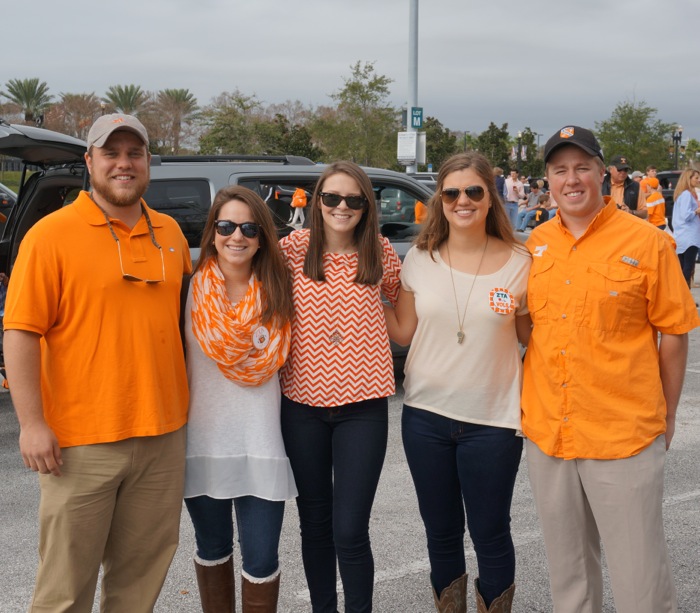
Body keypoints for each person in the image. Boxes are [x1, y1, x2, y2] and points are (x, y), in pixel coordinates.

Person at [3, 114, 192, 612]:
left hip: (162, 440)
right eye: (111, 153)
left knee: (139, 584)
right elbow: (20, 331)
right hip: (79, 444)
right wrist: (31, 424)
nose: (124, 164)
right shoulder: (51, 236)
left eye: (135, 154)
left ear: (149, 162)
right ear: (90, 162)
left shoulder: (169, 234)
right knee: (64, 590)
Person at [523, 126, 699, 613]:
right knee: (570, 577)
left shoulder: (648, 243)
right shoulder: (534, 245)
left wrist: (665, 413)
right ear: (548, 180)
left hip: (622, 433)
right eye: (561, 170)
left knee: (640, 578)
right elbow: (524, 329)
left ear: (605, 173)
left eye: (583, 167)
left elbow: (675, 335)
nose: (572, 179)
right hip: (549, 434)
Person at [384, 152, 531, 613]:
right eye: (451, 193)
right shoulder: (420, 260)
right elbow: (404, 332)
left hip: (493, 422)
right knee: (441, 532)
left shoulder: (522, 262)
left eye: (473, 191)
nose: (461, 200)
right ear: (439, 201)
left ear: (491, 198)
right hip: (425, 418)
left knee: (491, 531)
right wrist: (357, 284)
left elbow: (535, 339)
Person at [278, 161, 401, 613]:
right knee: (314, 524)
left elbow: (403, 322)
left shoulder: (380, 252)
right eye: (331, 198)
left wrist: (369, 323)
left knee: (350, 529)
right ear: (317, 202)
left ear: (367, 205)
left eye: (353, 199)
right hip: (302, 405)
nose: (342, 207)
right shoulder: (292, 249)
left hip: (363, 407)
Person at [183, 186, 298, 612]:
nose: (237, 236)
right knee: (211, 550)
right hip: (204, 444)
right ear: (212, 232)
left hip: (262, 446)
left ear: (263, 236)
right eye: (226, 226)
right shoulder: (188, 292)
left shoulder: (281, 291)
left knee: (262, 561)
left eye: (249, 228)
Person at [671, 168, 700, 287]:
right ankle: (684, 297)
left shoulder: (681, 194)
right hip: (689, 237)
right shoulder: (687, 194)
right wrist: (697, 211)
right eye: (696, 178)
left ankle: (683, 297)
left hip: (681, 236)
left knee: (683, 268)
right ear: (688, 179)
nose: (699, 180)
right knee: (687, 269)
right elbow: (685, 215)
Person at [601, 154, 647, 218]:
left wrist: (631, 212)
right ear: (610, 169)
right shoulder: (599, 184)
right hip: (604, 225)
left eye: (625, 169)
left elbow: (645, 213)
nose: (623, 172)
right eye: (619, 169)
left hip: (627, 226)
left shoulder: (635, 186)